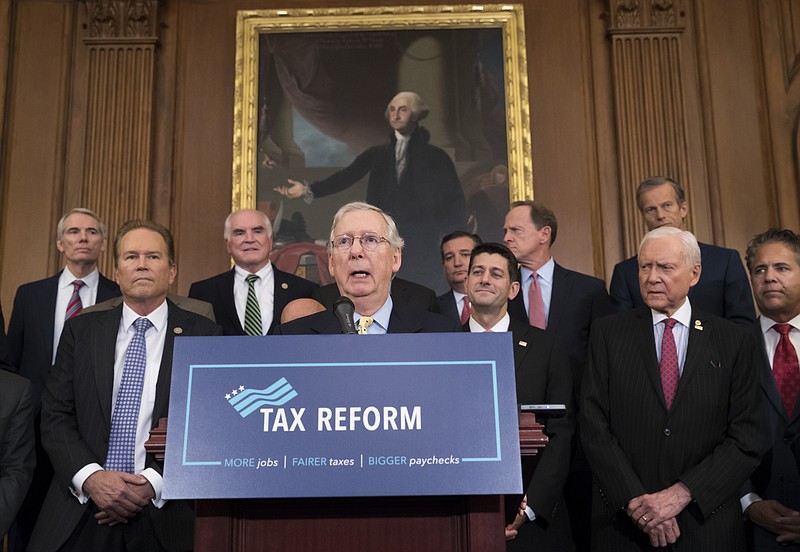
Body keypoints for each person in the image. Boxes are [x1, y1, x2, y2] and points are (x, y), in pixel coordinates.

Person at [28, 220, 222, 552]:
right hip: (82, 509)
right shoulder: (81, 331)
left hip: (166, 513)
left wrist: (150, 483)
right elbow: (55, 415)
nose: (142, 264)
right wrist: (92, 478)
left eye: (153, 256)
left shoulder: (204, 334)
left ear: (172, 271)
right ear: (116, 272)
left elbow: (211, 424)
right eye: (131, 257)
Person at [581, 226, 765, 551]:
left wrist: (680, 495)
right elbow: (594, 426)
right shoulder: (608, 334)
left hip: (706, 524)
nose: (652, 277)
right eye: (645, 266)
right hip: (625, 526)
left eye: (665, 267)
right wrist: (639, 504)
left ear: (694, 274)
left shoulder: (733, 340)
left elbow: (747, 438)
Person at [5, 207, 120, 552]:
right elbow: (13, 360)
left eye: (91, 232)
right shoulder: (30, 295)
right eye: (73, 232)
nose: (82, 238)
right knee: (28, 511)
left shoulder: (118, 295)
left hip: (93, 425)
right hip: (33, 424)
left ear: (102, 243)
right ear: (59, 242)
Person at [503, 199, 614, 551]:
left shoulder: (589, 290)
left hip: (579, 434)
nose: (506, 237)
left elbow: (602, 362)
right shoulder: (504, 292)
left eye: (515, 230)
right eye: (505, 230)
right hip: (518, 439)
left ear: (544, 234)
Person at [274, 91, 466, 287]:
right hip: (384, 240)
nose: (396, 115)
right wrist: (309, 190)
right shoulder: (378, 154)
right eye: (392, 110)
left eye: (403, 110)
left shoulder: (436, 157)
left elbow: (454, 200)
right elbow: (346, 176)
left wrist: (451, 239)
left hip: (424, 243)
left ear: (416, 115)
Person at [464, 243, 574, 551]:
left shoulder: (546, 347)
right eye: (478, 272)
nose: (485, 279)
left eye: (495, 273)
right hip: (459, 518)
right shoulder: (441, 344)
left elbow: (562, 433)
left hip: (535, 523)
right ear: (467, 282)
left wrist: (528, 507)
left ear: (513, 289)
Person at [277, 201, 460, 335]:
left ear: (395, 258)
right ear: (331, 263)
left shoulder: (441, 333)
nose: (356, 251)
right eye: (344, 241)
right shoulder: (292, 336)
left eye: (370, 239)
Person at [609, 176, 755, 325]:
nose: (660, 215)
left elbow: (743, 327)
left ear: (683, 209)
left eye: (666, 206)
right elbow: (621, 332)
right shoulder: (625, 272)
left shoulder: (725, 261)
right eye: (651, 209)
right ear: (643, 216)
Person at [741, 228, 800, 550]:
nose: (769, 277)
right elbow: (713, 435)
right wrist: (748, 502)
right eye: (759, 270)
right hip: (756, 531)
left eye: (782, 268)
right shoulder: (730, 349)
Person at [188, 209, 318, 335]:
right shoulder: (203, 292)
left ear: (270, 240)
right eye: (239, 233)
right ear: (228, 244)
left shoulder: (304, 290)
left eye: (257, 231)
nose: (249, 239)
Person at [437, 230, 483, 325]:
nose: (457, 263)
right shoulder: (434, 307)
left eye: (465, 255)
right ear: (443, 266)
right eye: (449, 257)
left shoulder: (501, 302)